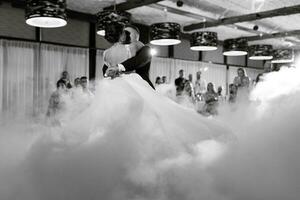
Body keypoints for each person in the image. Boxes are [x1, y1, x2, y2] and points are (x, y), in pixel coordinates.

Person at [102, 23, 155, 89]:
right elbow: (105, 71)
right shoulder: (134, 46)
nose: (127, 35)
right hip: (120, 85)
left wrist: (118, 67)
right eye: (125, 32)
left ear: (136, 37)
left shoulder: (144, 48)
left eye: (128, 33)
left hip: (136, 86)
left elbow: (139, 59)